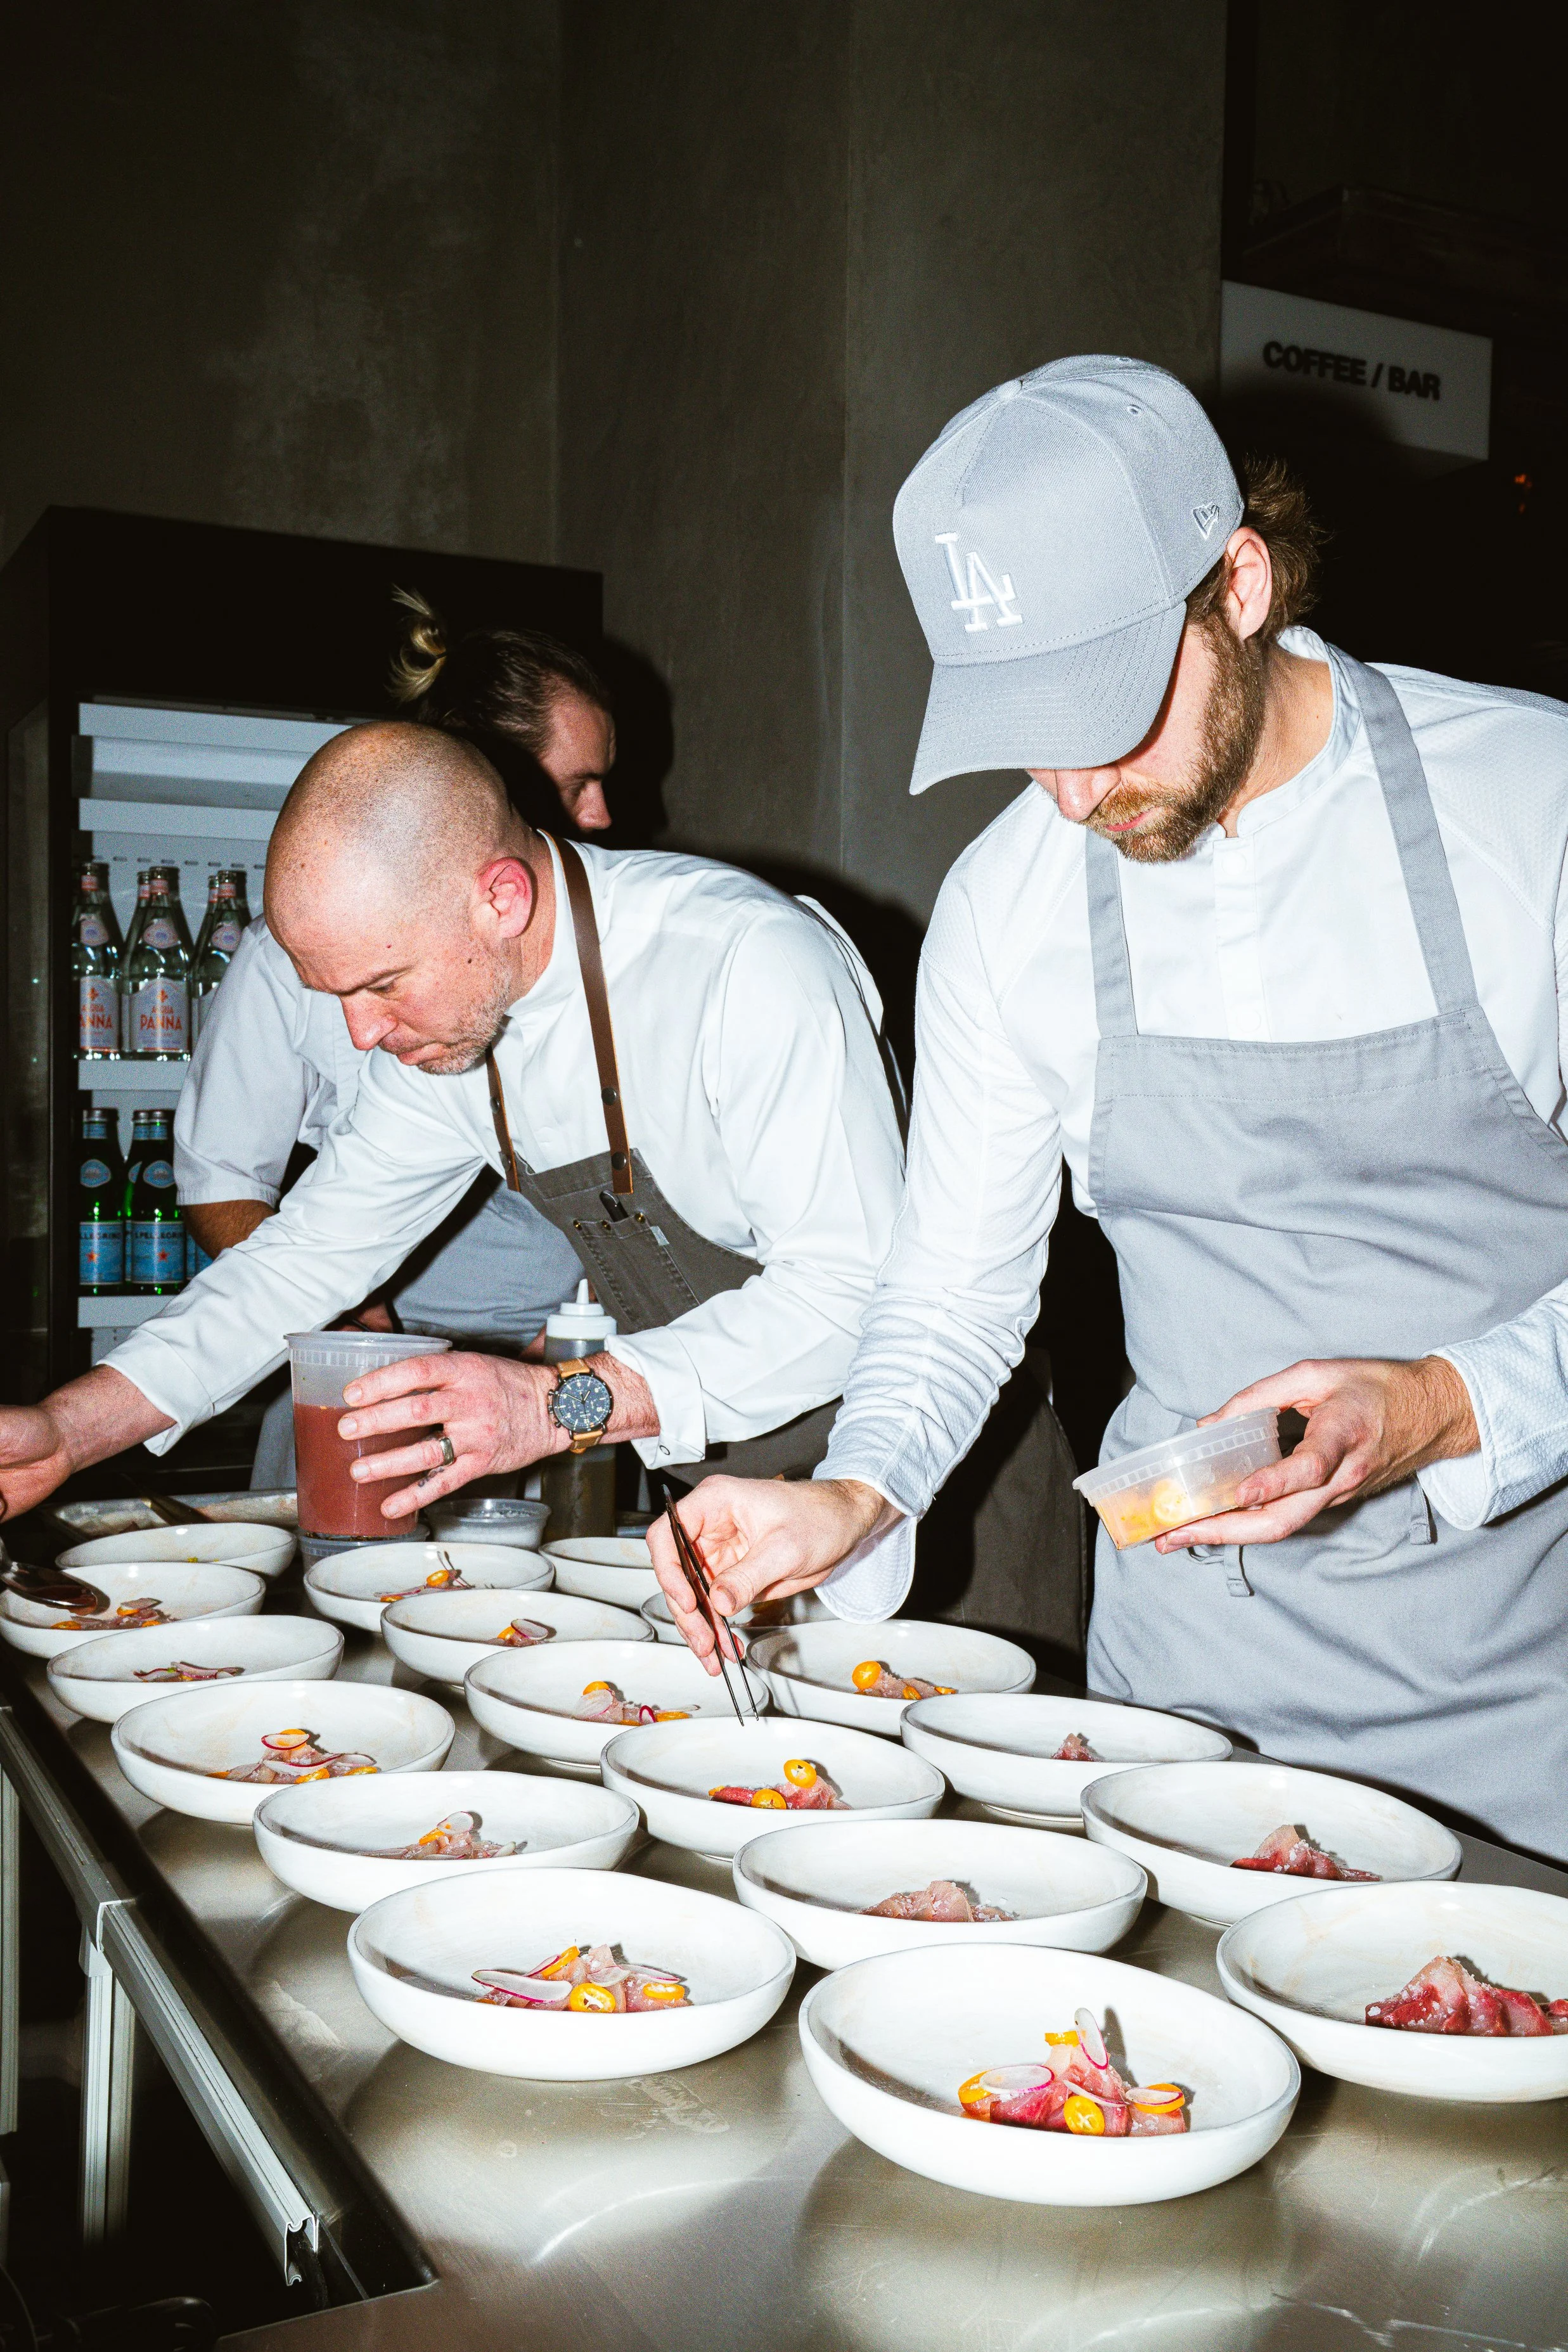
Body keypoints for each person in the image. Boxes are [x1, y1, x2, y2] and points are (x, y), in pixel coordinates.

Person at [651, 354, 1568, 1863]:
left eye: (1109, 710)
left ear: (1242, 583)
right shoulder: (1008, 903)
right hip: (1176, 1715)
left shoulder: (1529, 807)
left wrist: (1438, 1407)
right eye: (1026, 729)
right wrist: (856, 1491)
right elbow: (950, 1293)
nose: (1073, 792)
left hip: (1520, 1715)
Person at [0, 723, 907, 1570]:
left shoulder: (744, 965)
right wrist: (68, 1431)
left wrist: (554, 1404)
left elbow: (849, 1294)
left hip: (906, 1482)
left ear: (500, 899)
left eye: (383, 985)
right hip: (724, 1496)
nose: (360, 1034)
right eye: (336, 995)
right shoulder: (446, 1041)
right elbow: (300, 1260)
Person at [177, 603, 615, 1484]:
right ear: (487, 785)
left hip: (569, 1390)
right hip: (376, 1388)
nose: (601, 815)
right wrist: (357, 1322)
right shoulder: (293, 960)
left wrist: (587, 1329)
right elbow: (223, 1184)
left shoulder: (614, 963)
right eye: (575, 784)